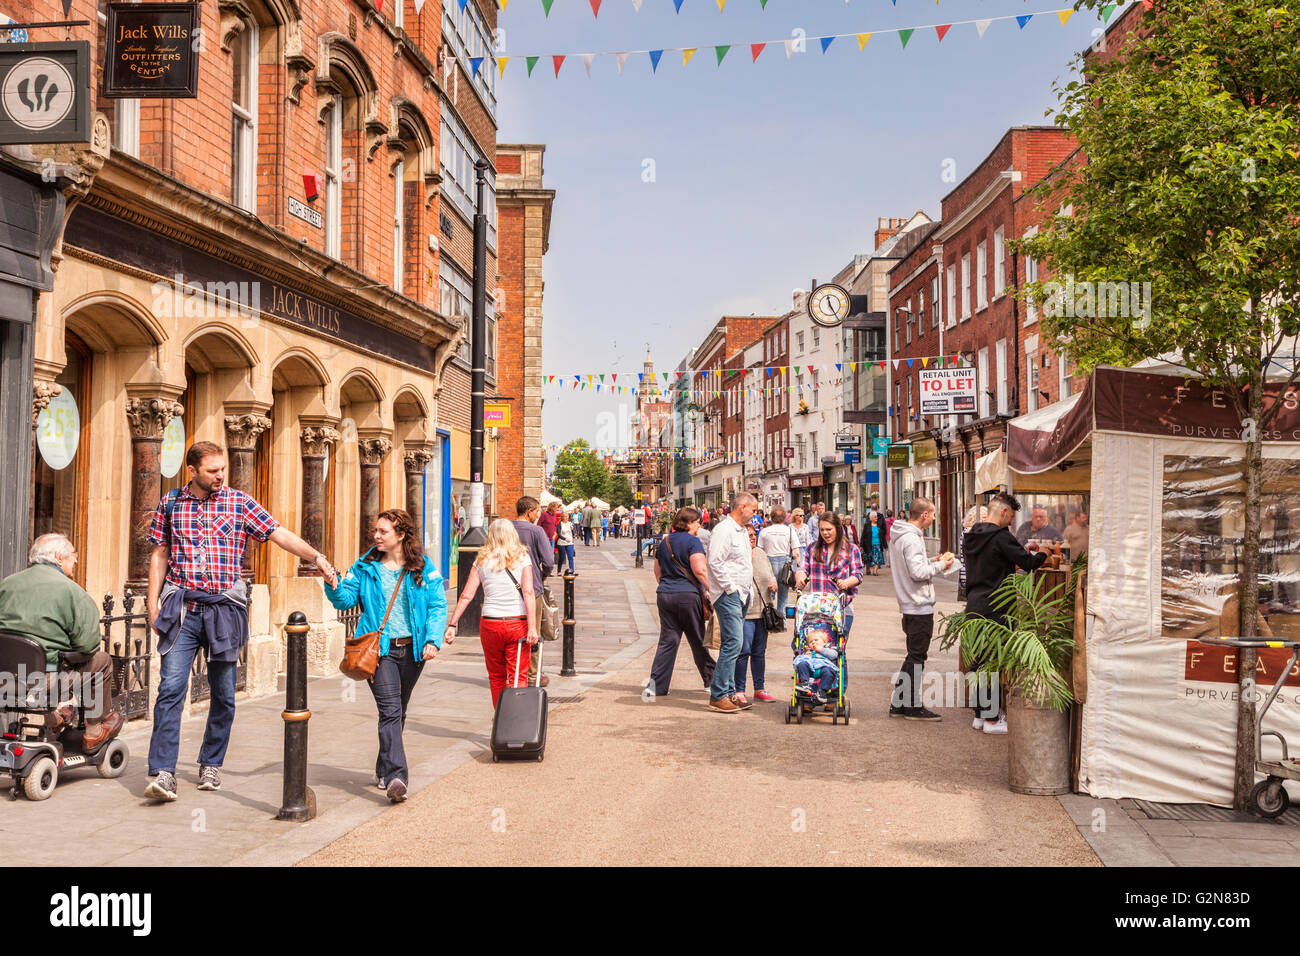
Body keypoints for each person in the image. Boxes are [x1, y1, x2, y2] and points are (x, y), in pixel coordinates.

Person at [143, 442, 337, 802]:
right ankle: (163, 772)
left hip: (224, 611)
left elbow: (279, 533)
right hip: (182, 609)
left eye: (223, 470)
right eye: (213, 470)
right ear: (192, 471)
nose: (220, 476)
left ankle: (211, 762)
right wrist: (152, 603)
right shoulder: (170, 504)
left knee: (224, 695)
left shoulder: (239, 502)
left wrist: (318, 558)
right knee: (171, 689)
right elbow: (159, 553)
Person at [325, 509, 446, 802]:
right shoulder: (365, 566)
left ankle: (383, 766)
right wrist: (332, 584)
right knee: (390, 711)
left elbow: (437, 605)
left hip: (414, 650)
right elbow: (345, 600)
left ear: (401, 535)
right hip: (380, 652)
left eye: (383, 531)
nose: (376, 536)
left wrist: (433, 639)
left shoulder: (423, 566)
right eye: (375, 530)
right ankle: (396, 776)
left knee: (399, 710)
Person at [0, 534, 123, 749]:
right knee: (102, 660)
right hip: (42, 679)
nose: (75, 560)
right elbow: (87, 645)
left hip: (5, 677)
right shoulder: (72, 592)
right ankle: (94, 731)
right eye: (73, 555)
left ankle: (54, 718)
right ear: (58, 557)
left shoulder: (7, 583)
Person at [964, 491, 1049, 733]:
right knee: (992, 661)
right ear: (1002, 512)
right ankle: (992, 720)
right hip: (996, 606)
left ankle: (980, 714)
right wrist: (1045, 553)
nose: (1011, 522)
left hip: (974, 603)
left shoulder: (971, 535)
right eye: (1010, 517)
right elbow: (1029, 563)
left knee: (979, 662)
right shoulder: (1001, 537)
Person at [445, 519, 538, 708]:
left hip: (490, 623)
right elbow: (528, 592)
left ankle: (500, 719)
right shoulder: (522, 557)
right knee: (518, 675)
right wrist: (533, 628)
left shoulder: (482, 559)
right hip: (516, 622)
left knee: (496, 676)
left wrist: (452, 624)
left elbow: (466, 595)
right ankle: (514, 721)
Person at [886, 498, 955, 721]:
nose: (935, 518)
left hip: (909, 603)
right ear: (924, 515)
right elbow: (917, 572)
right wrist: (941, 565)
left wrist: (931, 560)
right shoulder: (912, 539)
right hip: (918, 604)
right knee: (917, 657)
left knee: (912, 655)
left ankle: (899, 702)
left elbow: (913, 565)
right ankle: (913, 706)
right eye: (933, 514)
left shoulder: (900, 534)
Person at [648, 507, 716, 697]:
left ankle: (657, 686)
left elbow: (657, 572)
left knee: (667, 642)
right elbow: (700, 570)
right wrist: (714, 591)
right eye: (696, 522)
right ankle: (712, 680)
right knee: (697, 639)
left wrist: (669, 586)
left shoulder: (665, 542)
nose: (699, 526)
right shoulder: (693, 542)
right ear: (687, 523)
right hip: (688, 596)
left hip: (665, 595)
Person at [705, 493, 758, 713]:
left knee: (733, 642)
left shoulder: (742, 531)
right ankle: (718, 694)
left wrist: (747, 590)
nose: (755, 515)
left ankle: (727, 693)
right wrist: (731, 588)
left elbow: (742, 563)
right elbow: (714, 562)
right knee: (734, 642)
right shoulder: (724, 530)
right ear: (743, 507)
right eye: (753, 510)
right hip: (728, 595)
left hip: (742, 594)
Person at [797, 511, 863, 639]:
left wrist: (846, 583)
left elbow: (858, 574)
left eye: (829, 529)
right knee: (814, 648)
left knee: (836, 651)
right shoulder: (812, 548)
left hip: (841, 609)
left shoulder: (851, 549)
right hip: (815, 610)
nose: (825, 533)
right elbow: (802, 568)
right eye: (822, 529)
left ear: (838, 528)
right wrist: (800, 577)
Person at [513, 496, 555, 688]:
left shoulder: (506, 529)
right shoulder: (536, 531)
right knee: (533, 631)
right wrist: (542, 575)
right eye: (537, 511)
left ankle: (513, 671)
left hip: (508, 588)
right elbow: (548, 562)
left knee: (512, 631)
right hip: (533, 588)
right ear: (529, 512)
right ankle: (532, 675)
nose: (538, 515)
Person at [737, 524, 778, 704]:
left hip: (763, 611)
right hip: (746, 612)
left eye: (754, 535)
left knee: (759, 652)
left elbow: (770, 574)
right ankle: (739, 689)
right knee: (743, 652)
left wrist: (773, 584)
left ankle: (759, 688)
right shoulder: (738, 557)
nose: (753, 538)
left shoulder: (761, 553)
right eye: (749, 535)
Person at [758, 505, 800, 616]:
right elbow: (796, 553)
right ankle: (782, 621)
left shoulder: (764, 532)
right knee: (783, 595)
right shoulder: (790, 531)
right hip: (785, 563)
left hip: (768, 562)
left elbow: (760, 551)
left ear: (771, 517)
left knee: (767, 593)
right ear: (784, 517)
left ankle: (769, 618)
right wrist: (796, 569)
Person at [793, 627, 839, 704]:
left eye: (816, 640)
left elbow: (834, 655)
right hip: (811, 669)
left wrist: (820, 649)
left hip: (823, 668)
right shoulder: (808, 651)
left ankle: (822, 692)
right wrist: (806, 657)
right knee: (802, 664)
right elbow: (801, 660)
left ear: (824, 642)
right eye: (811, 642)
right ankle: (804, 683)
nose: (813, 642)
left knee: (829, 672)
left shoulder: (828, 648)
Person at [863, 509, 889, 576]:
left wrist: (885, 545)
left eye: (876, 517)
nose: (876, 518)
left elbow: (882, 536)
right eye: (875, 517)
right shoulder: (867, 525)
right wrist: (861, 545)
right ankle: (868, 569)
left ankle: (875, 571)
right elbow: (863, 535)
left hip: (877, 544)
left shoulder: (879, 526)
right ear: (871, 518)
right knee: (869, 558)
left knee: (877, 559)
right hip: (869, 544)